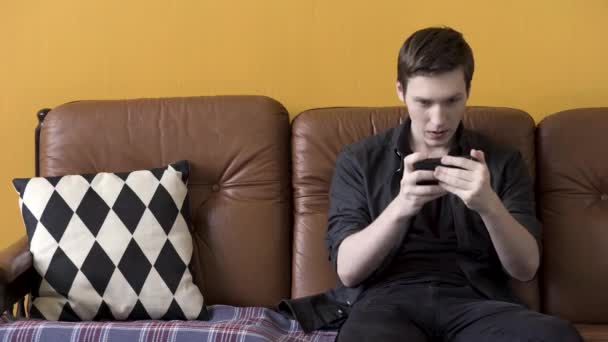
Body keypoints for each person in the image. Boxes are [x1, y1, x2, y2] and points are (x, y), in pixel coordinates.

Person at [279, 26, 583, 341]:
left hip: (476, 300)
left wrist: (489, 206)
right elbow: (349, 271)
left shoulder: (502, 160)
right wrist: (401, 207)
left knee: (556, 336)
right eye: (424, 103)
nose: (438, 120)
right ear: (400, 90)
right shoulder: (358, 160)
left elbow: (525, 269)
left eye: (452, 100)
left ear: (468, 90)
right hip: (387, 302)